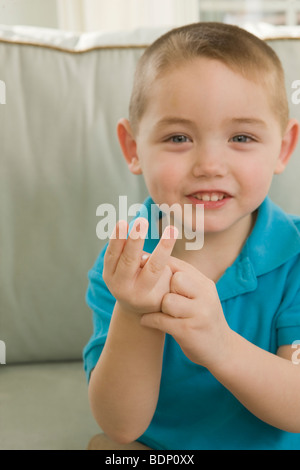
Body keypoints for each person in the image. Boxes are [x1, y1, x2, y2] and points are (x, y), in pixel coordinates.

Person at [83, 22, 300, 450]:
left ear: (282, 148)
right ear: (133, 148)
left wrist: (220, 346)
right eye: (179, 137)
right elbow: (120, 425)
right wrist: (132, 311)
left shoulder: (294, 256)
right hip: (162, 453)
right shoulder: (125, 262)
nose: (209, 164)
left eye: (241, 137)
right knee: (107, 449)